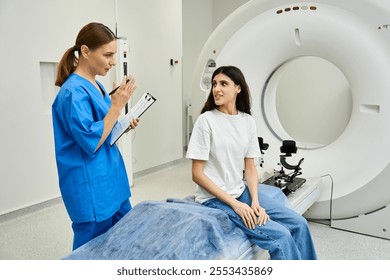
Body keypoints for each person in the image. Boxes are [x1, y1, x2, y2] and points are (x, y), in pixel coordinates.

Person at [186, 65, 317, 260]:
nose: (217, 89)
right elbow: (197, 174)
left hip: (241, 192)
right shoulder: (206, 121)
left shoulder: (247, 121)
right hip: (215, 200)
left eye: (223, 84)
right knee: (281, 237)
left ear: (238, 88)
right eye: (214, 84)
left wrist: (255, 201)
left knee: (299, 223)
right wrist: (236, 205)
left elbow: (250, 167)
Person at [52, 22, 138, 250]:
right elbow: (91, 141)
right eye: (108, 55)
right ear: (86, 51)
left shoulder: (97, 86)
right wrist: (117, 106)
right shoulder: (72, 92)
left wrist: (123, 125)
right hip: (90, 185)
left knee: (124, 237)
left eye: (114, 55)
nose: (113, 61)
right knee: (90, 252)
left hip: (111, 180)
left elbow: (104, 130)